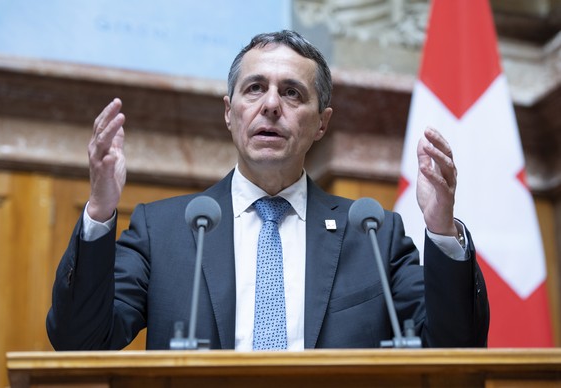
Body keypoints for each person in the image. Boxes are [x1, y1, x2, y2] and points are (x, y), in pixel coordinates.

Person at [46, 30, 489, 351]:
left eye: (292, 93)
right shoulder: (162, 232)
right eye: (255, 88)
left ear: (322, 123)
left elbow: (455, 347)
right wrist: (101, 211)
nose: (271, 105)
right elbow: (79, 339)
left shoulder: (374, 236)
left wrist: (442, 230)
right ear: (229, 112)